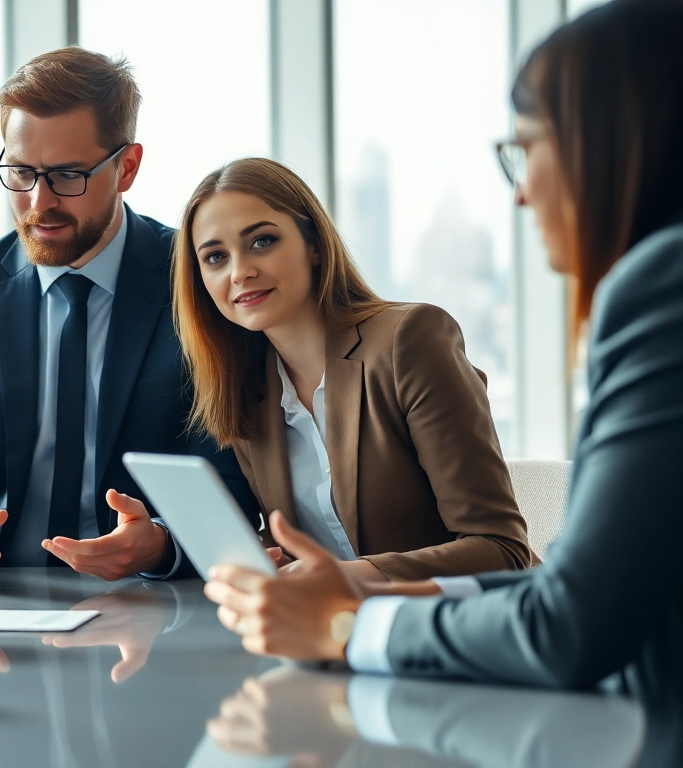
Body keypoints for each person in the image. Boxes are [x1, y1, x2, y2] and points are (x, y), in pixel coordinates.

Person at [203, 0, 683, 693]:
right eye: (214, 257)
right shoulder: (245, 388)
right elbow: (588, 592)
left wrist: (349, 624)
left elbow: (566, 613)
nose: (520, 196)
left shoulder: (659, 289)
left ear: (612, 144)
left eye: (526, 150)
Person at [0, 47, 259, 587]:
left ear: (126, 167)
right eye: (21, 172)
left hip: (153, 601)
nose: (39, 201)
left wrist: (159, 542)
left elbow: (236, 480)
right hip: (2, 597)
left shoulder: (199, 280)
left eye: (68, 175)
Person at [171, 158, 535, 582]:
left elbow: (502, 550)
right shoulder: (247, 390)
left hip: (467, 617)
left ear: (314, 245)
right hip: (332, 619)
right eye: (215, 257)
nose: (240, 272)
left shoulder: (409, 341)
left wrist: (348, 577)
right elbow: (300, 540)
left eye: (262, 241)